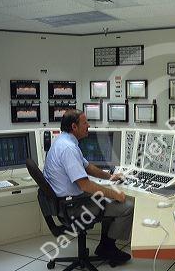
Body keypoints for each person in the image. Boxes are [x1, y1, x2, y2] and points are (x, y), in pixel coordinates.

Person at [43, 109, 133, 264]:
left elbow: (87, 167)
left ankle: (105, 246)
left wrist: (110, 176)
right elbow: (85, 185)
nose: (88, 125)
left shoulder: (63, 141)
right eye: (85, 123)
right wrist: (114, 194)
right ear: (74, 127)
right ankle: (108, 248)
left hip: (64, 203)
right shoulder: (68, 148)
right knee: (127, 206)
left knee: (107, 198)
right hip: (73, 206)